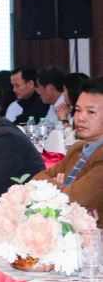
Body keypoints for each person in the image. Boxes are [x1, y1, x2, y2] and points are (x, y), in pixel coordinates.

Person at [33, 79, 103, 225]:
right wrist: (62, 188)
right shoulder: (77, 148)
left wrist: (57, 187)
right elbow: (36, 179)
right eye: (78, 110)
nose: (80, 118)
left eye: (91, 112)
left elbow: (73, 199)